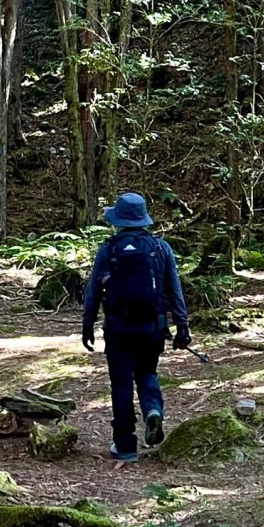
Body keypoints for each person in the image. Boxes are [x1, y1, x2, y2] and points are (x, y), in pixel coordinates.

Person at [82, 192, 191, 462]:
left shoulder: (109, 249)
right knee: (147, 373)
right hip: (152, 328)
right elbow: (175, 291)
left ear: (118, 221)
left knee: (120, 383)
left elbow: (93, 290)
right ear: (143, 219)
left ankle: (126, 446)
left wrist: (87, 326)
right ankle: (153, 410)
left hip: (118, 328)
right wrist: (182, 329)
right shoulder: (160, 248)